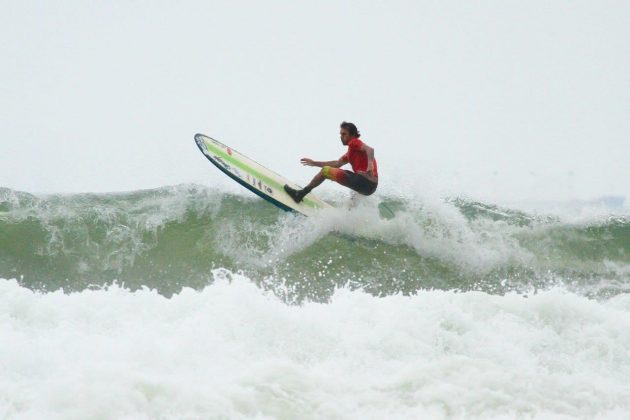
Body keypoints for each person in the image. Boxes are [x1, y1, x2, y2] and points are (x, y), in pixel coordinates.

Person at [284, 122, 378, 203]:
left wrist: (370, 167)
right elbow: (337, 163)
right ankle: (347, 218)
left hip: (364, 180)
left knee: (325, 171)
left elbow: (370, 149)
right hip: (370, 188)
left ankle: (300, 194)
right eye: (340, 134)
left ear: (352, 134)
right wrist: (314, 163)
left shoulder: (354, 142)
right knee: (353, 197)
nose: (341, 137)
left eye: (344, 134)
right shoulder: (350, 153)